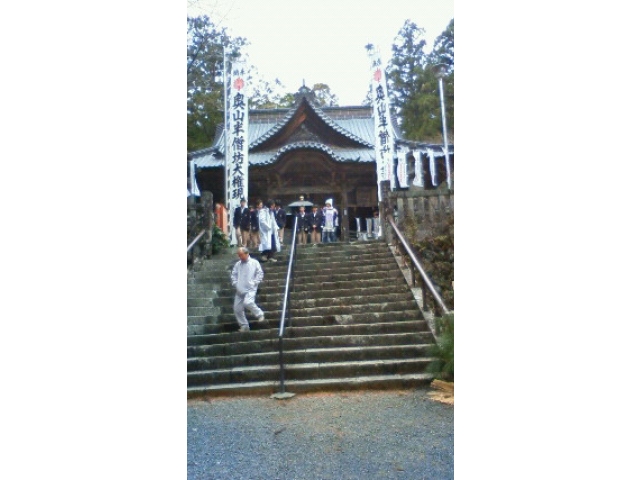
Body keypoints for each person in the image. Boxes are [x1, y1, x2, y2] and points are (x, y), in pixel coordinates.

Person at [230, 247, 266, 332]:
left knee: (248, 302)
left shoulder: (254, 262)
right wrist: (235, 283)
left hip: (250, 288)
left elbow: (260, 273)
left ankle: (259, 314)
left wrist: (255, 282)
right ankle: (244, 325)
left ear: (246, 254)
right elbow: (233, 275)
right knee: (237, 308)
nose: (240, 257)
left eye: (241, 255)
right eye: (239, 255)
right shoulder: (238, 264)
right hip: (239, 288)